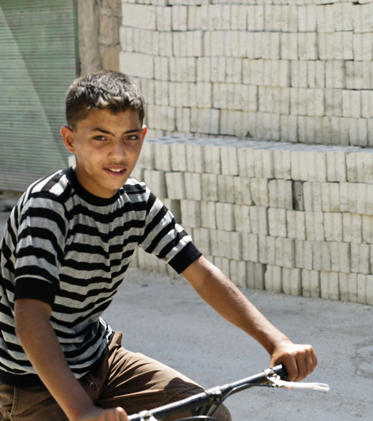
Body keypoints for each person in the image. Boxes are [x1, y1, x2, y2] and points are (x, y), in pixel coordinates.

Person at [0, 71, 317, 421]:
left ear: (143, 136)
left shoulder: (137, 201)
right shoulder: (49, 205)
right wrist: (81, 411)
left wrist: (276, 342)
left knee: (206, 415)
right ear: (70, 140)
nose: (118, 154)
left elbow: (202, 275)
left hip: (98, 360)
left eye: (130, 137)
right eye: (101, 138)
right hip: (30, 381)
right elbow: (29, 317)